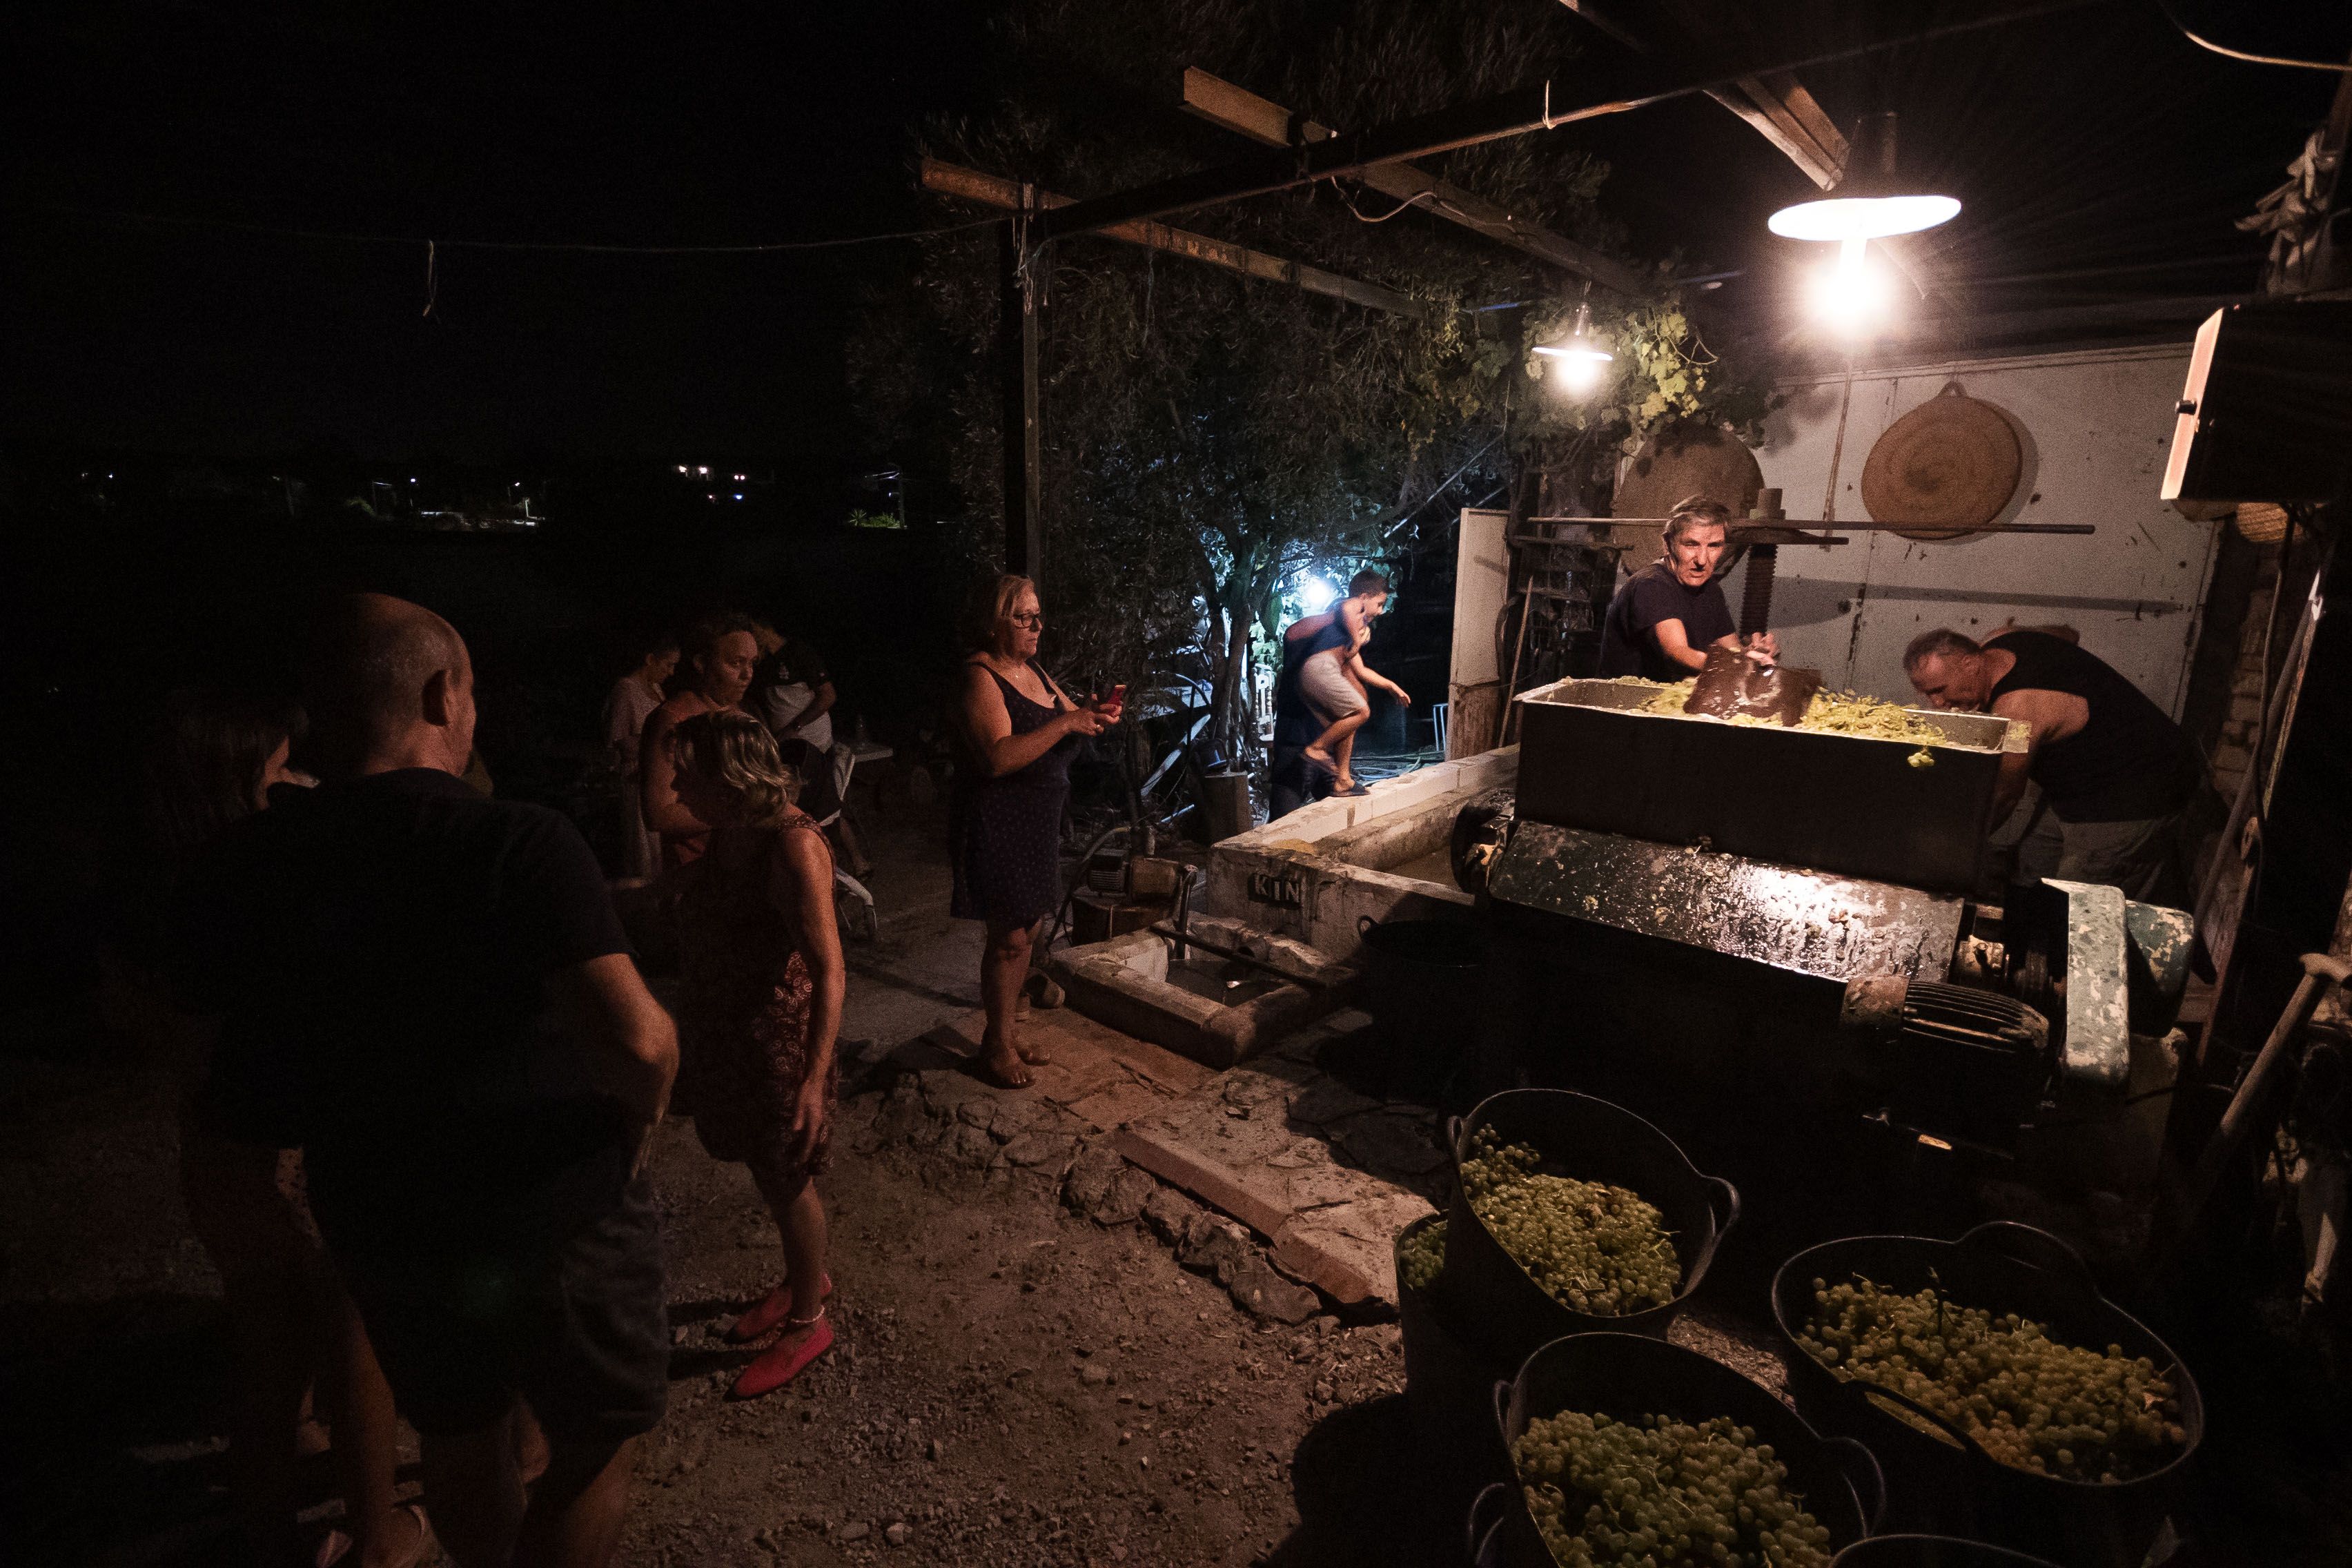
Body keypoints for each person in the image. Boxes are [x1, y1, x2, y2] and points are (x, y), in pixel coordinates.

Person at [169, 594, 678, 1568]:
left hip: (382, 1211)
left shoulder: (234, 868)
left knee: (457, 1426)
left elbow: (207, 1070)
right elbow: (641, 1043)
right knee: (592, 1441)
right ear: (446, 694)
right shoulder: (514, 843)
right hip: (551, 1210)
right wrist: (634, 1132)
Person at [124, 689, 429, 1568]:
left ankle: (265, 1535)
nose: (299, 776)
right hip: (289, 1142)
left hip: (213, 1145)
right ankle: (378, 1535)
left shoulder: (162, 890)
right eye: (278, 766)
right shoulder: (264, 886)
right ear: (230, 784)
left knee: (261, 1337)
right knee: (352, 1330)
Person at [668, 712, 845, 1398]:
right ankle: (807, 1275)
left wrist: (812, 1078)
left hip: (781, 1044)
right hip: (735, 1035)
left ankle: (809, 1317)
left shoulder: (792, 844)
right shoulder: (731, 830)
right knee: (765, 1167)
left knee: (786, 1176)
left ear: (729, 776)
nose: (676, 782)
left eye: (689, 771)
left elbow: (831, 968)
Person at [1904, 625, 2206, 903]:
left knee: (2079, 907)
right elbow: (2067, 634)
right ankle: (2029, 929)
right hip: (2078, 784)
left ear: (1971, 664)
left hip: (2135, 792)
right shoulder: (2002, 638)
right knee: (2032, 868)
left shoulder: (2018, 709)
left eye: (1939, 690)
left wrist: (1956, 851)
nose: (1937, 704)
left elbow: (2005, 794)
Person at [950, 574, 1113, 1088]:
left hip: (1038, 822)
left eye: (1038, 615)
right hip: (1000, 822)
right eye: (1024, 617)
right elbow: (998, 757)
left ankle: (1007, 1031)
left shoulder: (1033, 670)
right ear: (994, 621)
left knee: (1032, 931)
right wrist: (1066, 725)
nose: (1037, 625)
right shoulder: (980, 676)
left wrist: (1093, 718)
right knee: (1010, 939)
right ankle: (995, 1046)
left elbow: (1067, 730)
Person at [1596, 496, 1778, 680]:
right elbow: (1678, 652)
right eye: (1691, 544)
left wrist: (1755, 652)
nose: (1701, 560)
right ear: (1667, 544)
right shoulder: (1651, 585)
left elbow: (1732, 650)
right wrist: (1742, 663)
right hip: (1628, 702)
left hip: (1673, 697)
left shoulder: (1709, 589)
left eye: (1714, 546)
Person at [641, 612, 761, 870]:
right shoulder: (674, 719)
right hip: (701, 873)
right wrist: (744, 813)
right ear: (701, 662)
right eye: (736, 663)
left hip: (746, 863)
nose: (747, 675)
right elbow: (659, 813)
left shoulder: (739, 712)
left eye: (752, 663)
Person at [1292, 571, 1409, 796]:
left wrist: (1391, 686)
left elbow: (1362, 671)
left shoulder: (1347, 632)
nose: (1382, 610)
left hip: (1313, 677)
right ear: (1364, 597)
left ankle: (1343, 780)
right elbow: (1348, 607)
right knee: (1361, 711)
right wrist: (1356, 639)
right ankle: (1316, 750)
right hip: (1319, 668)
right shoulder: (1351, 605)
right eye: (1380, 603)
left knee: (1348, 722)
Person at [602, 631, 678, 884]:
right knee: (643, 847)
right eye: (668, 664)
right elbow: (618, 740)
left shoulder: (657, 689)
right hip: (637, 778)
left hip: (660, 774)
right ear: (650, 659)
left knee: (661, 848)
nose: (671, 672)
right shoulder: (626, 689)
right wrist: (657, 743)